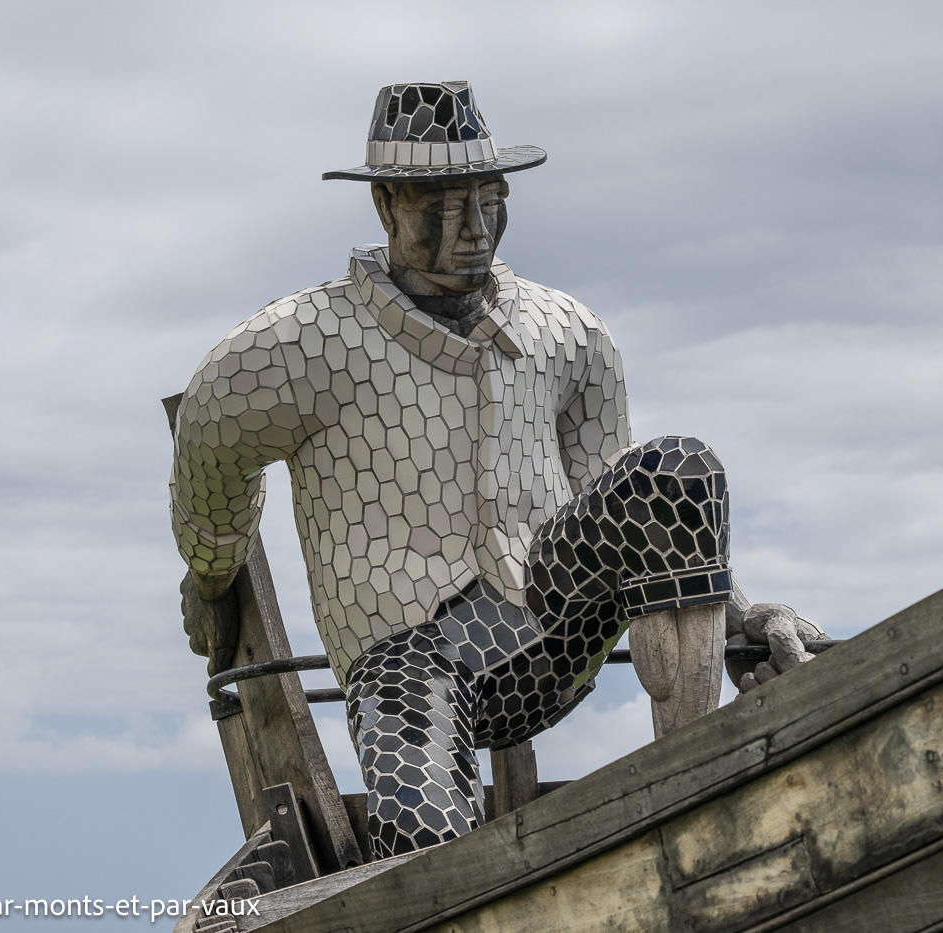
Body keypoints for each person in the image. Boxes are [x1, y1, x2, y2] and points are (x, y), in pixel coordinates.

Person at [171, 81, 822, 858]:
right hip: (410, 656)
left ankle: (698, 783)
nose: (472, 231)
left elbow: (625, 494)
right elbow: (209, 455)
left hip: (549, 612)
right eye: (439, 209)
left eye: (489, 202)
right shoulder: (295, 347)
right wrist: (210, 576)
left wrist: (743, 616)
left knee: (675, 468)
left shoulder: (565, 331)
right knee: (422, 842)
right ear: (386, 204)